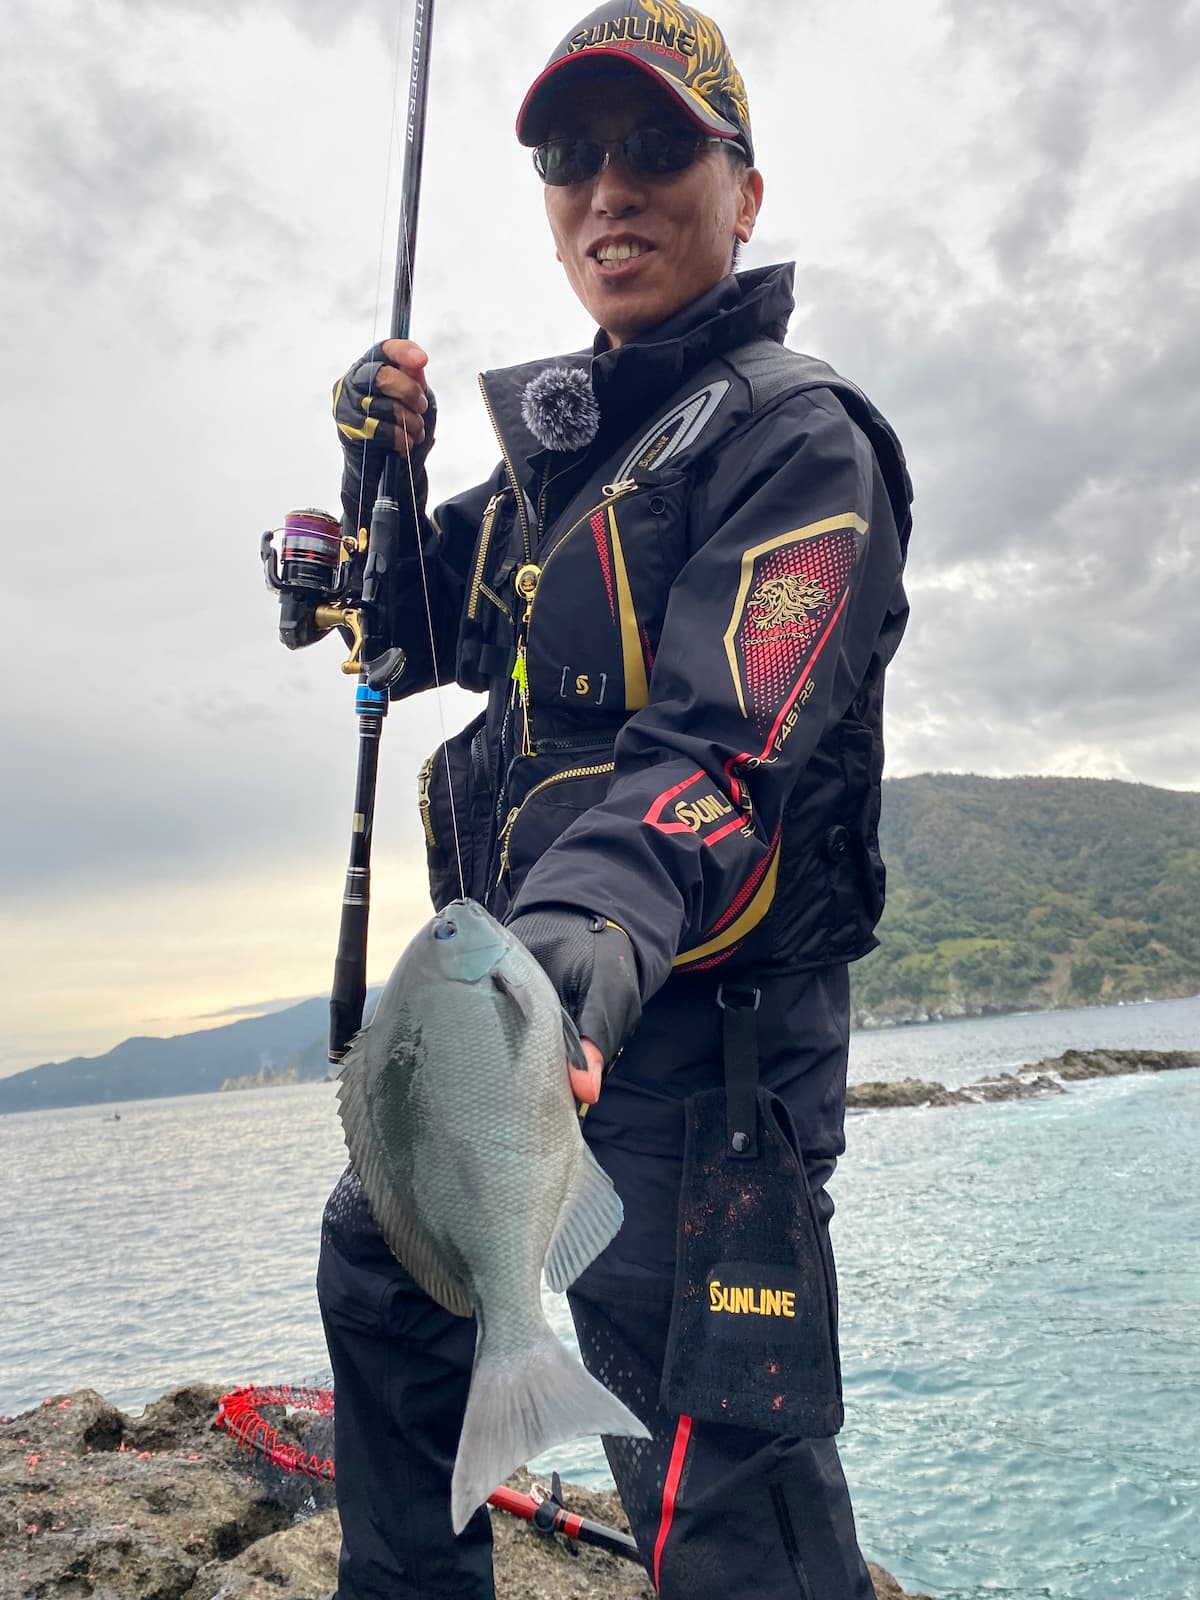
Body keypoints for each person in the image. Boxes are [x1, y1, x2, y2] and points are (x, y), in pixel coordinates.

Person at [315, 4, 912, 1596]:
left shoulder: (801, 445)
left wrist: (583, 930)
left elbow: (723, 747)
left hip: (702, 1048)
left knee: (718, 1485)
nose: (609, 192)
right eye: (572, 159)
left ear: (746, 188)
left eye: (657, 149)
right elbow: (399, 630)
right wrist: (376, 487)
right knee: (383, 1267)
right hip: (535, 1022)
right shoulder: (546, 470)